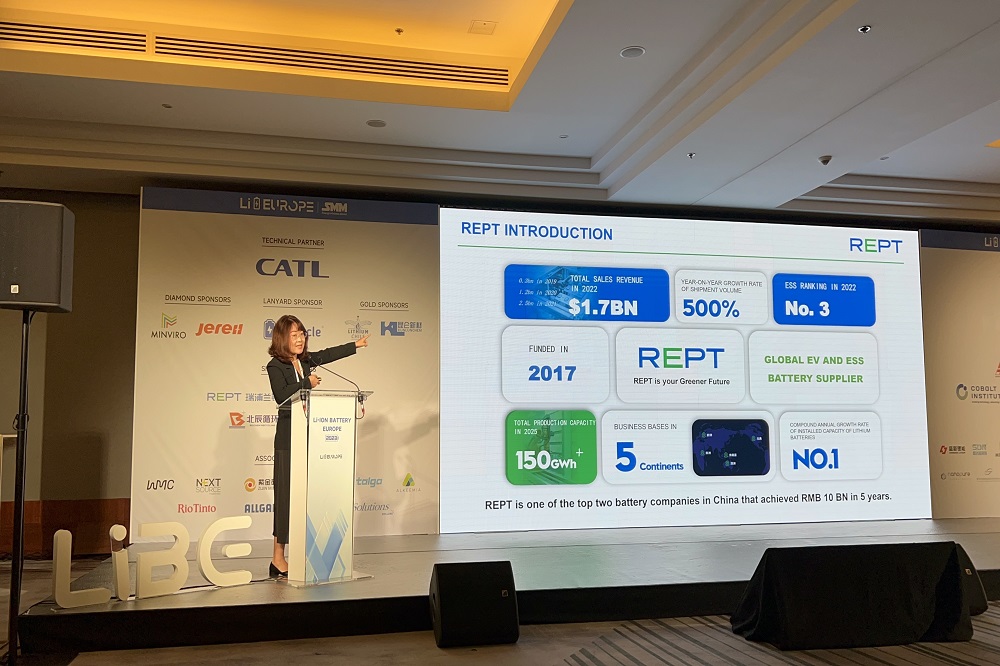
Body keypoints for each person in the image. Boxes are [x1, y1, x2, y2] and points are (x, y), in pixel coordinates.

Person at [265, 314, 368, 577]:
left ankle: (305, 552)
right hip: (288, 440)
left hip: (308, 437)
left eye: (302, 334)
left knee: (306, 498)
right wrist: (305, 383)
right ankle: (277, 558)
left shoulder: (306, 361)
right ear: (282, 338)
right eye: (294, 335)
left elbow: (329, 354)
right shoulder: (275, 366)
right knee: (285, 498)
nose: (300, 339)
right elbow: (281, 395)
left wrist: (355, 345)